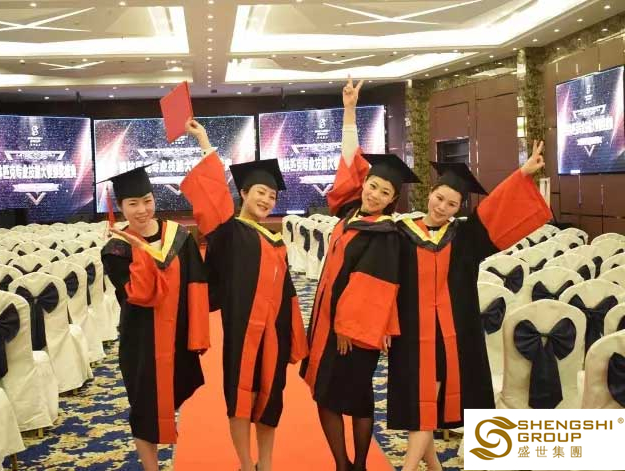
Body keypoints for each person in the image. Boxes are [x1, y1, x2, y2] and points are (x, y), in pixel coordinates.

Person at [387, 142, 553, 471]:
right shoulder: (401, 233)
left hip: (450, 333)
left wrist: (522, 173)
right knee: (421, 402)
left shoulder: (465, 236)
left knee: (426, 404)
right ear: (430, 193)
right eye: (439, 198)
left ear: (460, 207)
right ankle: (434, 465)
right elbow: (386, 280)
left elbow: (497, 208)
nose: (442, 207)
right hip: (411, 331)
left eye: (452, 203)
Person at [299, 77, 418, 471]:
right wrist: (349, 111)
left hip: (351, 332)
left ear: (393, 199)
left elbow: (373, 286)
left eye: (384, 192)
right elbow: (349, 160)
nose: (374, 193)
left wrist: (347, 327)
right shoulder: (350, 214)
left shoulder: (384, 232)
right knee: (341, 395)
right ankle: (347, 465)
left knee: (347, 397)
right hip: (330, 325)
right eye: (372, 185)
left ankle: (355, 465)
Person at [180, 118, 309, 471]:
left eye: (272, 196)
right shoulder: (230, 232)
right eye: (260, 192)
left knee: (271, 402)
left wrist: (295, 337)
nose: (266, 199)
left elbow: (289, 292)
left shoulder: (277, 242)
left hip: (274, 334)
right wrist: (204, 143)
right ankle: (245, 462)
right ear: (244, 193)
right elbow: (213, 198)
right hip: (242, 332)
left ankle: (265, 463)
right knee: (240, 399)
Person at [100, 166, 210, 471]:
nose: (142, 209)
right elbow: (140, 294)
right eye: (132, 203)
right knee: (144, 408)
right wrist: (142, 252)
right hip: (141, 341)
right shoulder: (116, 250)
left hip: (178, 337)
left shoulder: (179, 236)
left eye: (147, 200)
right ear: (120, 206)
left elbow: (197, 285)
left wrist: (198, 334)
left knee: (173, 396)